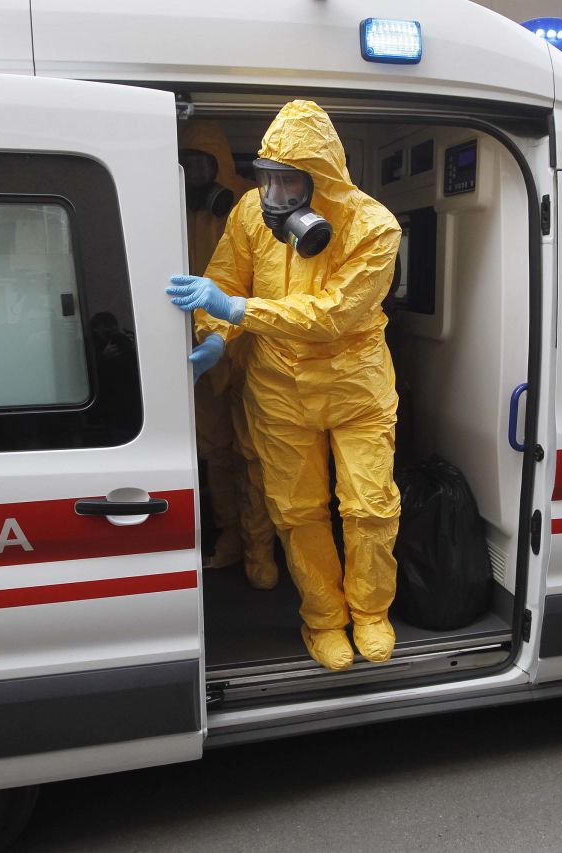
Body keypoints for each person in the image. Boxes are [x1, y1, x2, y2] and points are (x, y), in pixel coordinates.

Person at [167, 100, 402, 672]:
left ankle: (371, 611)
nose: (274, 195)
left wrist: (239, 310)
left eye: (289, 181)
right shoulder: (249, 212)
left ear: (322, 181)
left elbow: (331, 316)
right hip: (277, 386)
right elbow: (225, 277)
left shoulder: (374, 227)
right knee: (298, 511)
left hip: (355, 388)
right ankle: (322, 618)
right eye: (267, 178)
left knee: (370, 507)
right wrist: (218, 337)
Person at [180, 120, 279, 587]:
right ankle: (232, 539)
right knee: (216, 451)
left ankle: (262, 549)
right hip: (206, 344)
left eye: (206, 160)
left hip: (254, 347)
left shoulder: (250, 208)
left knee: (257, 456)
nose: (198, 170)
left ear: (219, 162)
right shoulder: (178, 208)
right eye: (190, 161)